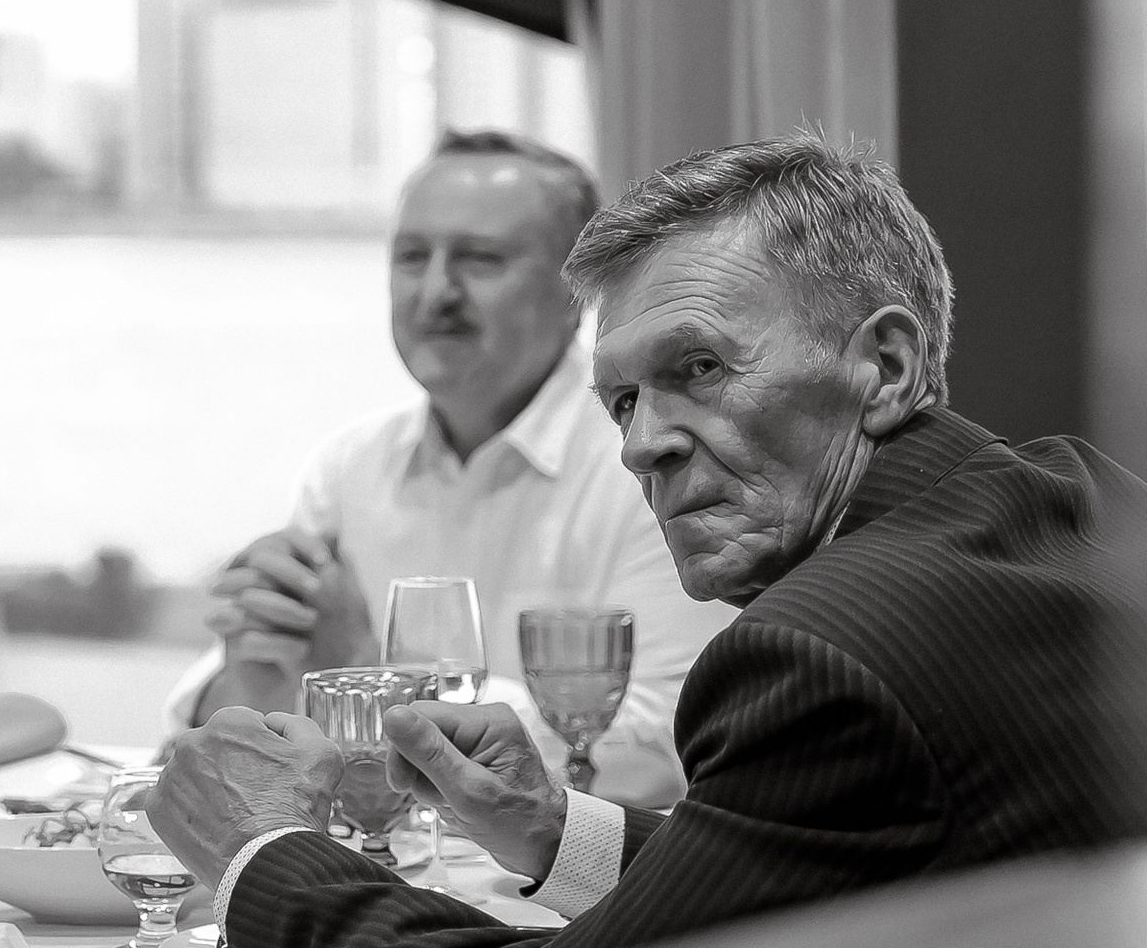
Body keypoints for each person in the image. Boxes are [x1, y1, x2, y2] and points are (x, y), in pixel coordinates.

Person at [151, 134, 1147, 948]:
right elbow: (782, 880)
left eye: (700, 367)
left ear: (884, 367)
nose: (641, 446)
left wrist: (264, 853)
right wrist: (550, 827)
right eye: (624, 400)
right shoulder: (1078, 490)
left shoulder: (821, 651)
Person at [166, 130, 734, 806]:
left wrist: (368, 674)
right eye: (412, 257)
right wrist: (257, 666)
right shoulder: (349, 466)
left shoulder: (647, 461)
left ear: (577, 292)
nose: (436, 291)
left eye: (479, 259)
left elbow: (667, 750)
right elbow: (222, 723)